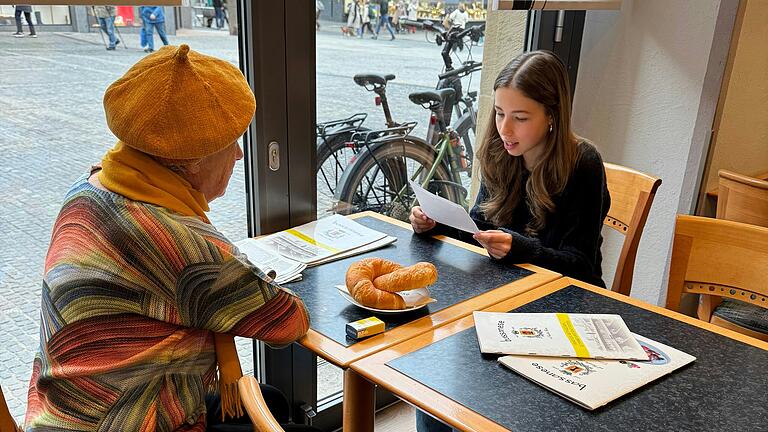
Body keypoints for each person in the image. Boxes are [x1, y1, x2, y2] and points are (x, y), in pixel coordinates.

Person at [23, 44, 319, 432]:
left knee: (273, 400)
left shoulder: (91, 187)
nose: (241, 154)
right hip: (122, 420)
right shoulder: (182, 244)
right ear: (190, 161)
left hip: (66, 408)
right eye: (229, 143)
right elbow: (289, 322)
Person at [413, 51, 611, 432]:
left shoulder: (582, 164)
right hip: (503, 300)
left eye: (520, 118)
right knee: (434, 385)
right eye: (500, 113)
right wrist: (436, 224)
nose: (505, 129)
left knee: (471, 394)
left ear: (552, 115)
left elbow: (583, 270)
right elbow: (480, 226)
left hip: (561, 310)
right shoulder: (499, 151)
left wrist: (520, 247)